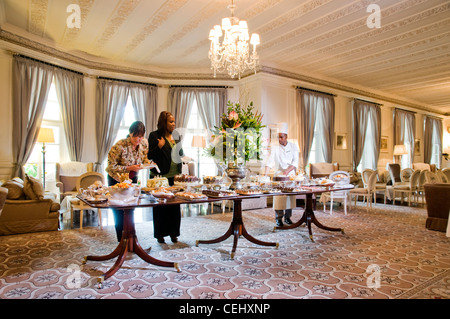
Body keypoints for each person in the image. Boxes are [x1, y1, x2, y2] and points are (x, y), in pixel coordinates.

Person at [106, 121, 150, 241]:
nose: (138, 139)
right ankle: (121, 239)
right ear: (130, 134)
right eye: (135, 136)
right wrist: (129, 168)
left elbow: (145, 159)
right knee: (119, 210)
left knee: (131, 207)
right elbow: (111, 167)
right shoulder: (119, 146)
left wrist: (148, 165)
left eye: (140, 136)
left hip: (133, 178)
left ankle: (131, 237)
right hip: (117, 179)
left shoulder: (144, 144)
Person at [148, 111, 183, 244]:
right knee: (160, 207)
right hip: (161, 177)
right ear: (164, 122)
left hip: (175, 177)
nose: (173, 124)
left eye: (174, 121)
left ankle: (174, 233)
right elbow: (149, 156)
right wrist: (159, 146)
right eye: (170, 121)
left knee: (174, 206)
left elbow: (181, 153)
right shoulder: (154, 135)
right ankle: (160, 234)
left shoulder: (176, 136)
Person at [264, 122, 299, 227]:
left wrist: (287, 172)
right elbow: (269, 162)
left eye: (281, 137)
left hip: (290, 175)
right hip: (278, 175)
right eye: (278, 137)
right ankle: (278, 218)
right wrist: (265, 175)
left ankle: (288, 217)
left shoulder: (293, 146)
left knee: (289, 197)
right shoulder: (275, 147)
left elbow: (295, 162)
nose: (279, 139)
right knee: (278, 197)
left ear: (286, 136)